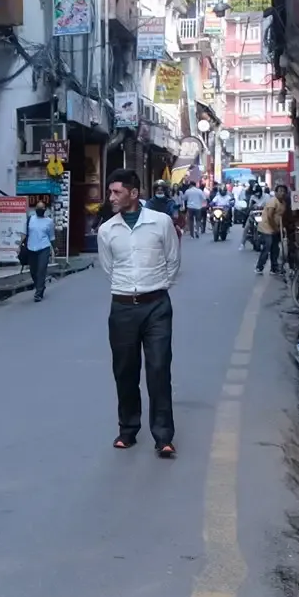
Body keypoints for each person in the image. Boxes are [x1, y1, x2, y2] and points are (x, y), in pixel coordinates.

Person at [98, 168, 180, 460]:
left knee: (159, 369)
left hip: (157, 306)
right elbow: (108, 268)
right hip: (122, 308)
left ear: (133, 193)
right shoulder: (107, 230)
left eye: (117, 192)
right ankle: (128, 430)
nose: (111, 197)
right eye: (110, 192)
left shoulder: (161, 222)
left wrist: (154, 288)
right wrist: (129, 290)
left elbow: (173, 260)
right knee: (125, 371)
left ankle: (163, 436)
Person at [25, 196, 55, 301]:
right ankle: (40, 286)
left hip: (44, 247)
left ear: (45, 210)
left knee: (41, 270)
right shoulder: (30, 219)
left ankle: (38, 293)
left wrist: (54, 248)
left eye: (41, 208)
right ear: (35, 209)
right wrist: (19, 246)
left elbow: (52, 236)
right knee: (33, 271)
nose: (39, 210)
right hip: (31, 247)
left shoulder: (49, 221)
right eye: (38, 208)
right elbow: (25, 233)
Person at [256, 183, 287, 275]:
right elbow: (270, 216)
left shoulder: (283, 203)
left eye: (284, 191)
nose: (282, 193)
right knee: (267, 247)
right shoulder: (273, 201)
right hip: (267, 227)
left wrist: (281, 228)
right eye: (280, 191)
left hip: (276, 228)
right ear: (276, 192)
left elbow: (281, 216)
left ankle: (274, 268)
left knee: (275, 248)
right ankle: (259, 267)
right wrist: (275, 227)